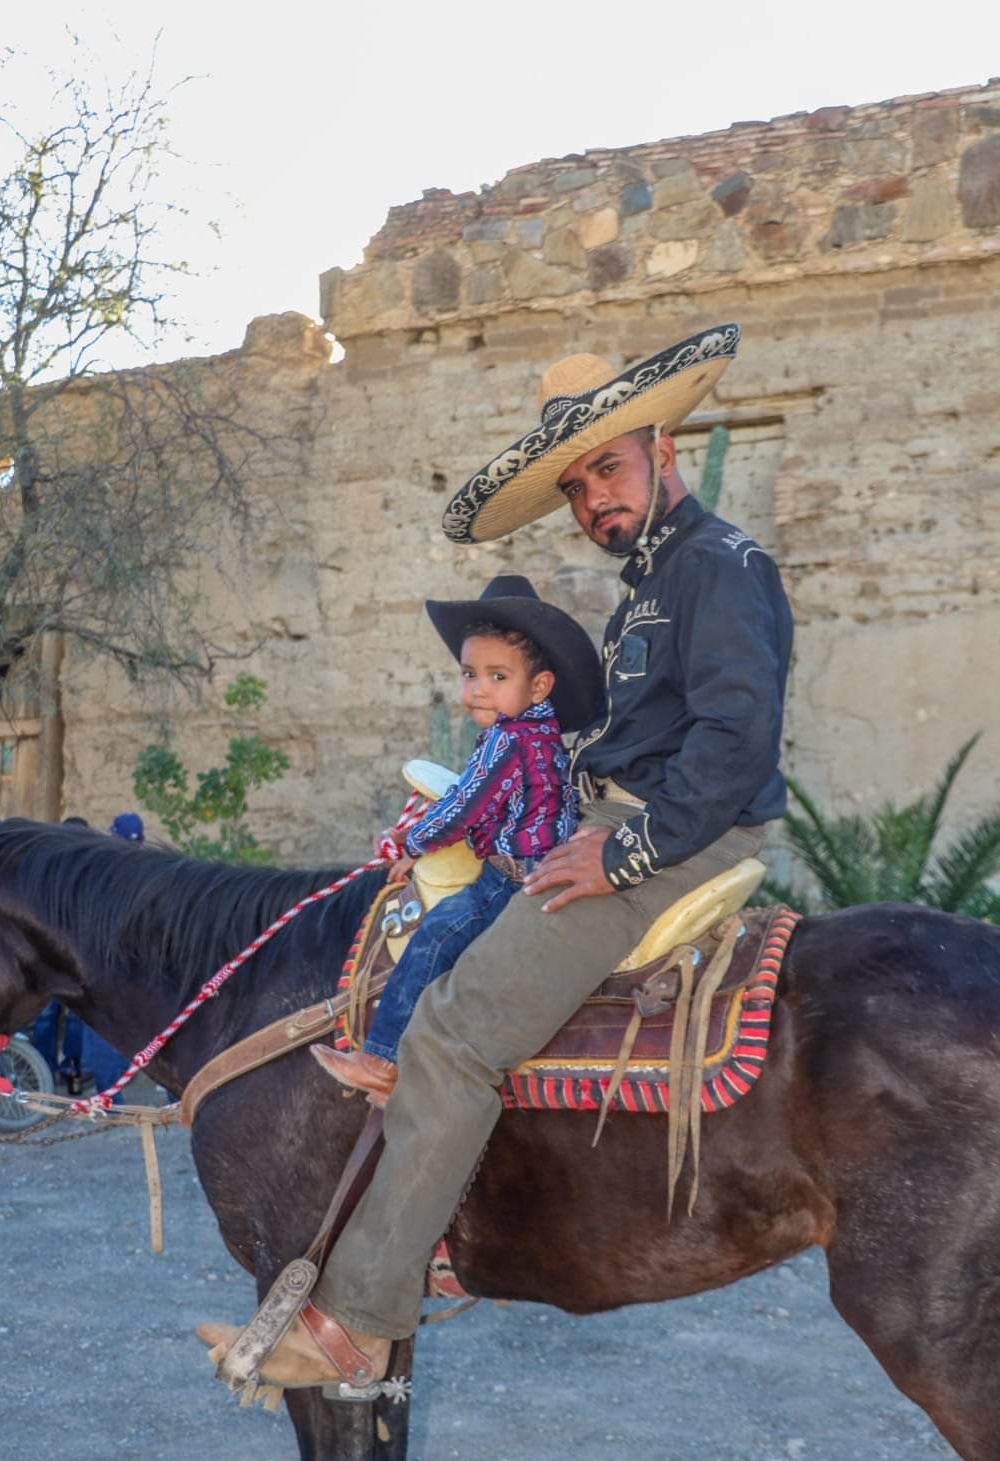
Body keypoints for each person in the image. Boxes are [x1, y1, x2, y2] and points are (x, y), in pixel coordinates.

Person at [197, 322, 795, 1391]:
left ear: (661, 450)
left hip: (678, 834)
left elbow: (734, 740)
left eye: (605, 470)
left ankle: (361, 1321)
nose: (592, 501)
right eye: (573, 487)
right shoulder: (652, 583)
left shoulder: (720, 566)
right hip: (624, 821)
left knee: (454, 1030)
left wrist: (617, 856)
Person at [310, 576, 602, 1106]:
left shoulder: (510, 741)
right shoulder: (536, 733)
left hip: (512, 882)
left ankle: (382, 1058)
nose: (478, 690)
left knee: (433, 940)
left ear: (538, 687)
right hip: (528, 866)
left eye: (497, 675)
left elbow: (464, 808)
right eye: (470, 674)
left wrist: (411, 844)